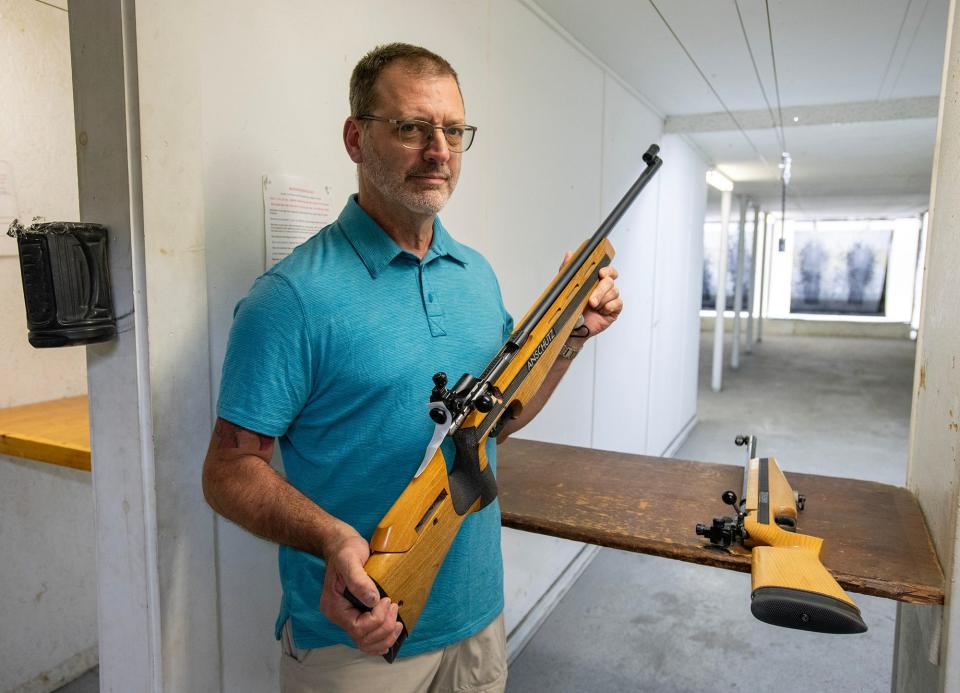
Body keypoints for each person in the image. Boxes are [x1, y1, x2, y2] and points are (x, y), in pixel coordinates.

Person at [202, 42, 623, 693]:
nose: (439, 151)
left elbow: (493, 423)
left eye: (454, 130)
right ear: (355, 137)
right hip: (356, 640)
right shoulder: (291, 298)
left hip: (476, 618)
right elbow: (229, 470)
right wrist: (334, 538)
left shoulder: (475, 276)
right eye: (411, 127)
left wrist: (571, 338)